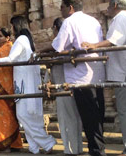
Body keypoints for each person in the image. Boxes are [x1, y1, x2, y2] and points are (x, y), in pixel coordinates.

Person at [82, 0, 126, 156]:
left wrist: (94, 45)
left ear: (115, 5)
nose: (106, 8)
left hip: (125, 73)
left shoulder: (121, 19)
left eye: (108, 5)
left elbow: (114, 40)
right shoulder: (124, 19)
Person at [0, 16, 56, 154]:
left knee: (23, 114)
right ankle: (34, 147)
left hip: (25, 82)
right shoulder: (26, 40)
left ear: (16, 26)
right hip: (25, 80)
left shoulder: (21, 39)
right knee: (28, 115)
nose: (11, 29)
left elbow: (12, 59)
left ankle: (47, 143)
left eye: (12, 26)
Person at [49, 0, 107, 156]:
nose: (61, 10)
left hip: (81, 77)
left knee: (88, 116)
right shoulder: (93, 21)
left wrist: (42, 51)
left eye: (62, 7)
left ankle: (97, 151)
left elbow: (57, 47)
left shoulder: (69, 21)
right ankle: (98, 149)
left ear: (70, 8)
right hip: (97, 73)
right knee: (97, 114)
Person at [51, 18, 83, 156]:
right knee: (75, 116)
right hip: (70, 83)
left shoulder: (59, 44)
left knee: (66, 118)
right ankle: (77, 148)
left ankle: (70, 149)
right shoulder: (71, 44)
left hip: (62, 85)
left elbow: (54, 58)